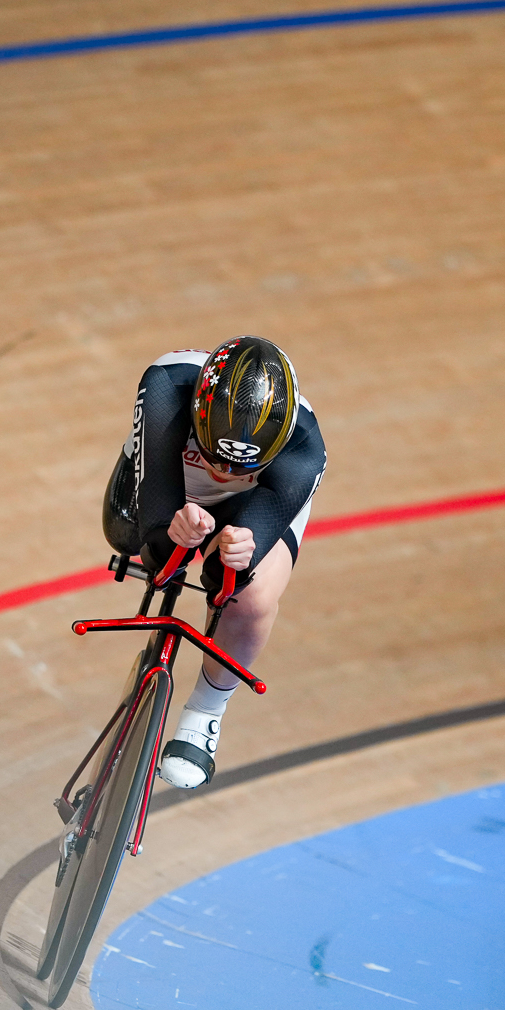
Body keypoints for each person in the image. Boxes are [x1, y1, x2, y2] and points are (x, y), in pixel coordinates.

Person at [102, 336, 326, 788]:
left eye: (239, 467)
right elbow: (156, 536)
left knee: (251, 596)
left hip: (252, 505)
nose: (223, 473)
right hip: (168, 482)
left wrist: (239, 556)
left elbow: (237, 565)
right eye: (212, 457)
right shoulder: (168, 385)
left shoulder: (304, 447)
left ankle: (206, 711)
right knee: (130, 539)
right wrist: (170, 534)